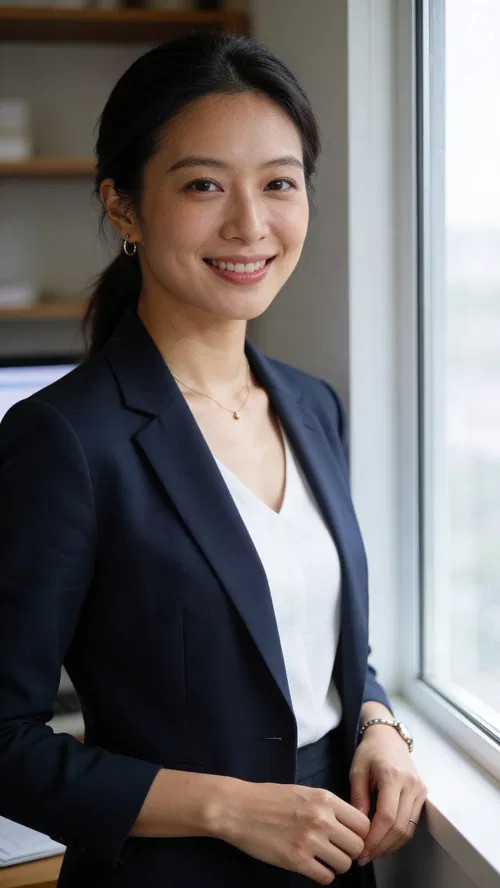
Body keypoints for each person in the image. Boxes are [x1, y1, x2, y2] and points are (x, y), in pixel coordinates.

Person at [0, 32, 427, 888]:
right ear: (123, 207)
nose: (250, 225)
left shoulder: (313, 407)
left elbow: (319, 643)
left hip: (340, 865)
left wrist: (378, 721)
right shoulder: (64, 440)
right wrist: (229, 807)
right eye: (203, 185)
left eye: (279, 183)